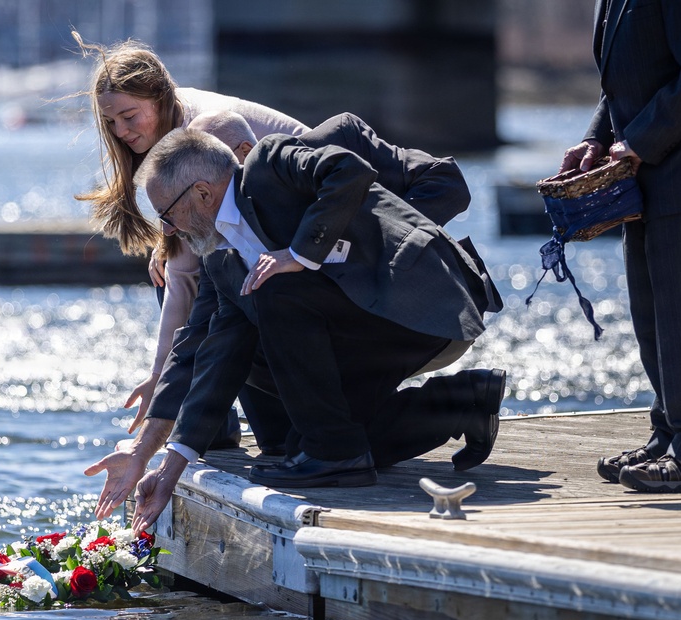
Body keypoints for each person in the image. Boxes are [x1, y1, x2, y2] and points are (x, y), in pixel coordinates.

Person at [88, 127, 504, 532]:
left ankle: (335, 453)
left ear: (202, 193)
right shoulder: (219, 260)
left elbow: (348, 169)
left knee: (276, 287)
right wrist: (164, 465)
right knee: (294, 442)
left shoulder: (270, 162)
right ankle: (461, 401)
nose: (168, 231)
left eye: (167, 214)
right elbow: (202, 353)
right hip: (368, 331)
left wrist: (298, 254)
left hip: (422, 303)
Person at [72, 31, 307, 450]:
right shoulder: (171, 130)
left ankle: (220, 427)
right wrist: (161, 379)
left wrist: (161, 379)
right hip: (274, 255)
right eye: (111, 122)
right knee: (170, 266)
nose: (121, 131)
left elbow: (187, 277)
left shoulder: (199, 135)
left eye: (129, 116)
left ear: (161, 100)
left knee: (190, 276)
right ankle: (214, 426)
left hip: (319, 248)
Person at [562, 2, 681, 493]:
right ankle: (668, 433)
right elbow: (621, 84)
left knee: (679, 320)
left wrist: (638, 138)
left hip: (674, 174)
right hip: (642, 182)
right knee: (653, 319)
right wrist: (598, 139)